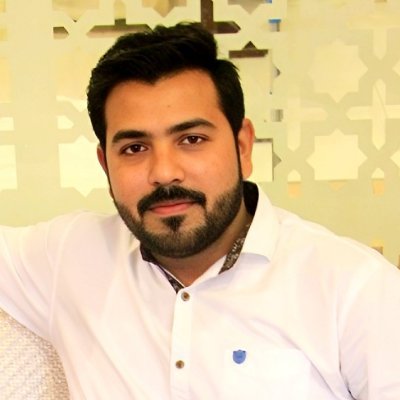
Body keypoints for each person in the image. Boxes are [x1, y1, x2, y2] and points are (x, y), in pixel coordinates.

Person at [0, 22, 399, 400]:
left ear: (243, 146)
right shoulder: (70, 256)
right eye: (134, 148)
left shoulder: (352, 288)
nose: (164, 172)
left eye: (191, 139)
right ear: (106, 165)